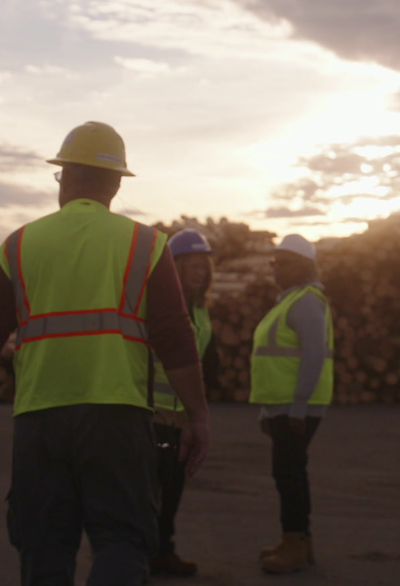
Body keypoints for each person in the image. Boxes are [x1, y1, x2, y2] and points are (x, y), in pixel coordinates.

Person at [0, 121, 210, 586]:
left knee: (44, 547)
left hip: (39, 419)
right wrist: (198, 417)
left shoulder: (18, 245)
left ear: (64, 178)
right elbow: (175, 337)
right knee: (123, 542)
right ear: (115, 185)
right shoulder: (147, 245)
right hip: (118, 418)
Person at [251, 234, 334, 574]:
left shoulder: (306, 302)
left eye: (282, 263)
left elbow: (314, 356)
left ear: (301, 266)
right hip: (283, 406)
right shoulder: (292, 300)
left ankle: (295, 543)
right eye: (273, 263)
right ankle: (298, 540)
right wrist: (267, 409)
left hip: (297, 407)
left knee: (288, 474)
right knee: (289, 473)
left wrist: (298, 406)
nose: (275, 269)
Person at [149, 228, 218, 577]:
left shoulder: (201, 310)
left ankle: (163, 552)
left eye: (202, 265)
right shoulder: (159, 305)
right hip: (152, 416)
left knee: (172, 492)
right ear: (173, 267)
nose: (198, 272)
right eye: (190, 265)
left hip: (181, 420)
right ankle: (139, 557)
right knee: (148, 494)